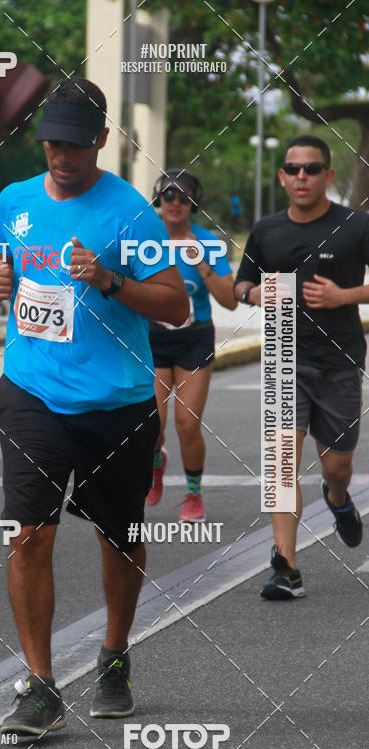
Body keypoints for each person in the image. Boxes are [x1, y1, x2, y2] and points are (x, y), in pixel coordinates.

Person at [0, 78, 189, 736]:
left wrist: (109, 279)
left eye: (75, 144)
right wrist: (1, 283)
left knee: (120, 541)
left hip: (116, 406)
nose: (62, 156)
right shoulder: (14, 200)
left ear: (101, 139)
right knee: (27, 535)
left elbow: (175, 304)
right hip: (32, 393)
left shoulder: (131, 214)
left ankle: (114, 655)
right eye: (52, 143)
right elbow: (14, 276)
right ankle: (40, 685)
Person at [235, 134, 368, 599]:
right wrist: (253, 293)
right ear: (282, 177)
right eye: (293, 169)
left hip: (340, 358)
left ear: (328, 176)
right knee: (281, 463)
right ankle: (285, 566)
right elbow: (241, 284)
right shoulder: (267, 230)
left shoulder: (356, 225)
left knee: (337, 465)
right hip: (284, 354)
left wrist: (343, 296)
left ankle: (337, 498)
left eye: (312, 169)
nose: (302, 177)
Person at [145, 169, 237, 519]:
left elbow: (229, 301)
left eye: (184, 197)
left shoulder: (207, 242)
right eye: (168, 195)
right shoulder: (144, 238)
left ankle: (193, 494)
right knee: (151, 425)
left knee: (187, 423)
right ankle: (155, 463)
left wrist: (200, 262)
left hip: (194, 339)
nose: (176, 203)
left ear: (193, 204)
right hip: (152, 338)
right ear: (159, 199)